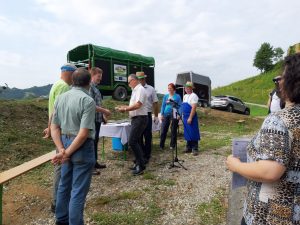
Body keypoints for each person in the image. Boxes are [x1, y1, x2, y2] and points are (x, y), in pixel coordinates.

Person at [226, 53, 300, 225]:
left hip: (268, 216)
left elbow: (270, 171)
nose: (278, 81)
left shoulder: (278, 120)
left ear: (291, 81)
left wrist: (236, 166)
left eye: (282, 77)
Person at [51, 68, 96, 225]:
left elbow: (54, 127)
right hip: (81, 147)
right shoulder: (88, 100)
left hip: (64, 142)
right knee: (77, 190)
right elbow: (83, 134)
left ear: (72, 80)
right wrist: (67, 153)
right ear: (89, 82)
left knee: (64, 184)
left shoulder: (61, 98)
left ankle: (61, 220)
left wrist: (62, 149)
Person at [43, 63, 77, 213]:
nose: (74, 79)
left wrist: (49, 127)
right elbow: (58, 111)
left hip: (57, 129)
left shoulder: (56, 84)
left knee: (60, 164)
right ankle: (57, 203)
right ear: (69, 73)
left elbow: (52, 111)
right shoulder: (64, 87)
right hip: (63, 131)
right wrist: (51, 128)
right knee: (61, 165)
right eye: (74, 75)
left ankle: (58, 201)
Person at [116, 74, 148, 175]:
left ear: (134, 80)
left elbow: (138, 105)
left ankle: (141, 165)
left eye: (129, 82)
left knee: (132, 141)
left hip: (140, 118)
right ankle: (138, 163)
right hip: (136, 118)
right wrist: (123, 106)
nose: (128, 84)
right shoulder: (136, 90)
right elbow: (133, 105)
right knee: (136, 141)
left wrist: (125, 109)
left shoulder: (140, 90)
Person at [89, 67, 111, 172]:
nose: (100, 79)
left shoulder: (96, 88)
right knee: (91, 143)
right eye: (98, 77)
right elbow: (91, 105)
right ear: (92, 75)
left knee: (95, 141)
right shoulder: (90, 88)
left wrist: (102, 117)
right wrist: (104, 111)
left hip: (97, 120)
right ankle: (90, 166)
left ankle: (95, 162)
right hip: (91, 121)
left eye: (100, 77)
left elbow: (97, 104)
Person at [136, 71, 159, 164]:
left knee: (147, 136)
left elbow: (155, 103)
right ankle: (140, 155)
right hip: (138, 115)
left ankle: (147, 155)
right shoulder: (136, 89)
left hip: (147, 114)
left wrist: (156, 116)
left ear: (144, 79)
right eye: (138, 79)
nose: (140, 80)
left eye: (141, 79)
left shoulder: (151, 89)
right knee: (138, 137)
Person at [159, 83, 182, 150]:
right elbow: (163, 105)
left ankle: (172, 145)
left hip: (174, 114)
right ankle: (161, 145)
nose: (169, 89)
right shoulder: (166, 96)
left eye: (170, 88)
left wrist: (179, 114)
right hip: (166, 114)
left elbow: (180, 106)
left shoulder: (177, 96)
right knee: (163, 130)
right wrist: (162, 114)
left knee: (173, 130)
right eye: (168, 88)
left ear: (173, 89)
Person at [182, 81, 200, 156]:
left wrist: (190, 117)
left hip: (191, 116)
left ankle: (195, 148)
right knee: (187, 132)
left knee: (193, 132)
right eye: (186, 87)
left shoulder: (194, 96)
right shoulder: (185, 96)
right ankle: (188, 147)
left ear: (191, 88)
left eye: (188, 87)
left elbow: (193, 108)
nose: (187, 89)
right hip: (185, 116)